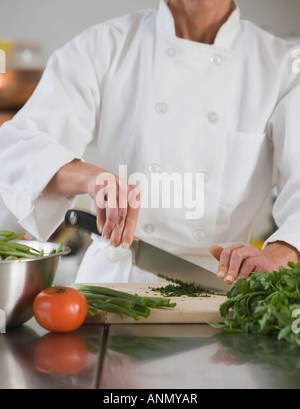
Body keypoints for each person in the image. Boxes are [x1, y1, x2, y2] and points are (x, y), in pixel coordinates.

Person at [0, 0, 300, 285]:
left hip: (222, 289)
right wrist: (90, 177)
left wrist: (280, 252)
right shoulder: (104, 46)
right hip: (113, 284)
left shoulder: (284, 65)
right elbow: (17, 146)